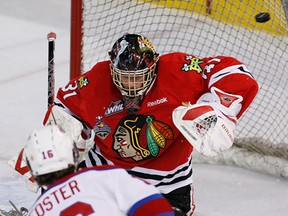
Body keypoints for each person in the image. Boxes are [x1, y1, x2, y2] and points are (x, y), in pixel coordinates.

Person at [12, 33, 258, 215]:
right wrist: (48, 154)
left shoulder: (179, 72)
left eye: (138, 78)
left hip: (168, 184)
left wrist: (220, 109)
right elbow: (64, 108)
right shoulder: (96, 81)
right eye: (123, 78)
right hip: (103, 175)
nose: (130, 86)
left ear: (154, 68)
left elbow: (234, 72)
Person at [25, 125, 175, 216]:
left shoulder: (36, 211)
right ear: (74, 154)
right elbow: (156, 208)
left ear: (32, 170)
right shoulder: (105, 177)